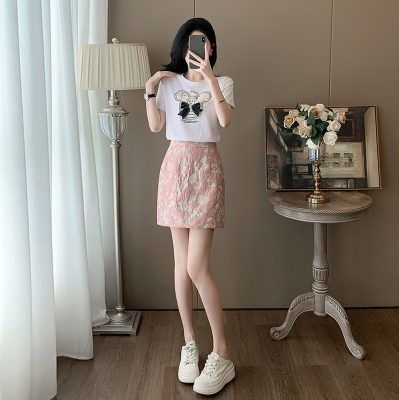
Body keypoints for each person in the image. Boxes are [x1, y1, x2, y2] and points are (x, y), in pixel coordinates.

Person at [144, 18, 235, 396]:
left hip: (207, 170)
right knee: (181, 267)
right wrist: (150, 90)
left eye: (204, 43)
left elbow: (225, 120)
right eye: (191, 43)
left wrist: (210, 78)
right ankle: (189, 344)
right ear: (181, 47)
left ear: (211, 47)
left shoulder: (224, 82)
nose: (196, 49)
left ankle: (222, 353)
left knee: (197, 266)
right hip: (175, 169)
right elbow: (155, 126)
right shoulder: (168, 84)